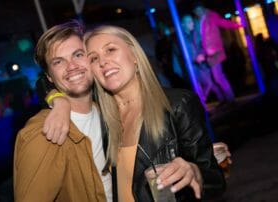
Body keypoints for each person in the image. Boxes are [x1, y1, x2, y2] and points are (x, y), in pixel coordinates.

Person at [44, 25, 226, 201]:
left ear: (134, 56)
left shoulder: (178, 104)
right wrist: (58, 101)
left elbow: (216, 181)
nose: (103, 62)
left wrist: (195, 171)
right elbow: (45, 80)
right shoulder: (103, 116)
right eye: (93, 58)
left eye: (110, 50)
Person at [13, 20, 112, 202]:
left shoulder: (108, 110)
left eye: (78, 54)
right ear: (50, 76)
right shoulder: (43, 134)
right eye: (58, 62)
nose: (72, 66)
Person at [193, 2, 242, 105]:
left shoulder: (211, 17)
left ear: (203, 8)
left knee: (218, 77)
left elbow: (223, 22)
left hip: (215, 52)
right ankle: (224, 98)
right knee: (214, 78)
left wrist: (238, 25)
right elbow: (201, 39)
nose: (198, 12)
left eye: (199, 9)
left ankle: (230, 98)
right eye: (196, 11)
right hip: (207, 54)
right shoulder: (199, 21)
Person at [172, 14, 224, 107]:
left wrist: (202, 54)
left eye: (192, 21)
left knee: (208, 83)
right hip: (189, 67)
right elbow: (182, 54)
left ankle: (202, 102)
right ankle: (202, 105)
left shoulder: (194, 34)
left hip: (198, 65)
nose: (192, 23)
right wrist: (195, 58)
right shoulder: (181, 38)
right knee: (198, 87)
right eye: (189, 22)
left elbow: (200, 46)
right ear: (183, 25)